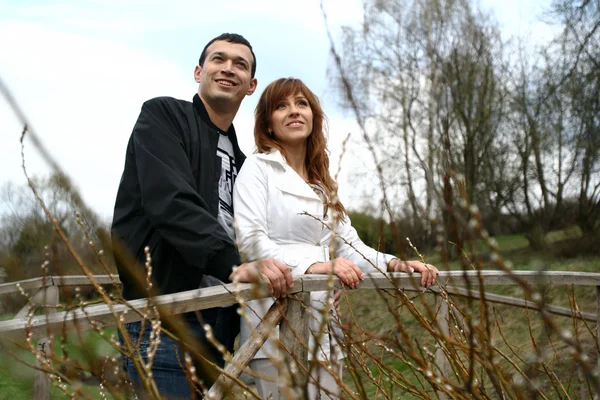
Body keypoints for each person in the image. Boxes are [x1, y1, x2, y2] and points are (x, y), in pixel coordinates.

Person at [111, 34, 294, 399]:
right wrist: (231, 263)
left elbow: (268, 234)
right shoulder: (163, 117)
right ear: (199, 71)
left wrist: (317, 269)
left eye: (240, 64)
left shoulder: (246, 164)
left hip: (222, 323)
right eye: (218, 59)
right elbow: (171, 201)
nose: (228, 68)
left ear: (251, 85)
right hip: (162, 319)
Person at [233, 78, 440, 399]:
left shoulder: (323, 185)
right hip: (273, 322)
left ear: (314, 116)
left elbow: (350, 247)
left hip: (325, 327)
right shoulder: (257, 168)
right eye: (281, 106)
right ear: (268, 124)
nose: (293, 111)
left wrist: (397, 264)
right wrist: (315, 265)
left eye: (301, 103)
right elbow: (251, 241)